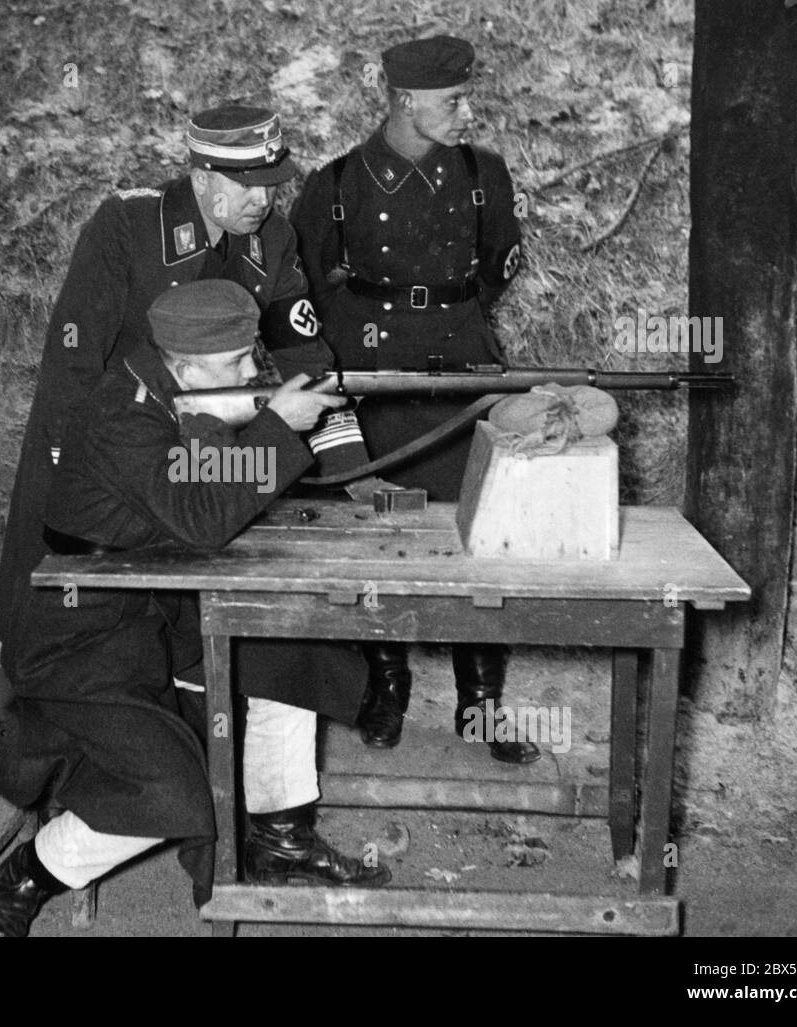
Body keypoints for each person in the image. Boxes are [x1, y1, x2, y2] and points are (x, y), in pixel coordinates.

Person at [0, 281, 391, 937]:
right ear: (188, 366)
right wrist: (277, 425)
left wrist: (249, 415)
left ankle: (281, 835)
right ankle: (34, 869)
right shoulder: (125, 414)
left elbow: (200, 489)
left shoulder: (170, 378)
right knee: (172, 790)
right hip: (77, 631)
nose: (254, 370)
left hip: (157, 604)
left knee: (290, 648)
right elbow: (202, 517)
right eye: (237, 363)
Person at [0, 104, 371, 760]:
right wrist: (76, 495)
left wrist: (351, 476)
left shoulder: (271, 241)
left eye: (272, 182)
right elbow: (73, 366)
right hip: (117, 464)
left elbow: (305, 361)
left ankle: (259, 803)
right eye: (246, 183)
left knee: (261, 619)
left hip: (207, 462)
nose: (263, 199)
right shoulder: (128, 225)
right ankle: (86, 757)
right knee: (77, 642)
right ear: (201, 177)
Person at [291, 35, 538, 763]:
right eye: (452, 99)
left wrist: (453, 314)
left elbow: (500, 263)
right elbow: (305, 281)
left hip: (461, 371)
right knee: (382, 526)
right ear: (404, 100)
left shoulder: (481, 171)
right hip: (377, 378)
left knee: (477, 533)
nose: (467, 111)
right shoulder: (336, 182)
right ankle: (387, 683)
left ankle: (480, 704)